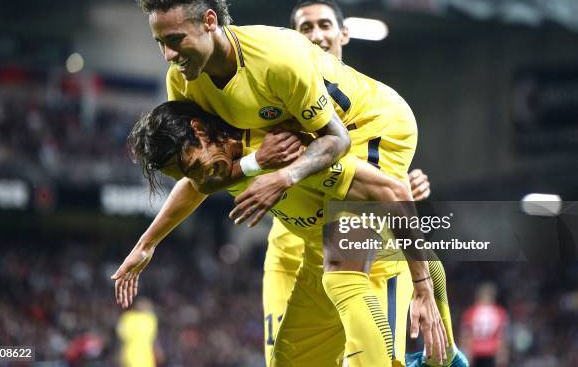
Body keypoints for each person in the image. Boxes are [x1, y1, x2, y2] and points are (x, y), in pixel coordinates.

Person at [115, 0, 448, 365]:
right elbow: (204, 175)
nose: (169, 55)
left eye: (174, 40)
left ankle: (428, 339)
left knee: (345, 268)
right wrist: (146, 243)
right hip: (295, 161)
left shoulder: (276, 61)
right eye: (159, 44)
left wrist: (281, 175)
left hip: (368, 127)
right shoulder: (185, 81)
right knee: (292, 355)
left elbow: (337, 141)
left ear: (209, 22)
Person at [115, 101, 433, 366]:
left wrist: (423, 283)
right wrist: (146, 244)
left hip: (374, 254)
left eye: (193, 167)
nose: (199, 181)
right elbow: (193, 188)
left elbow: (389, 189)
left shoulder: (288, 149)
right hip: (316, 256)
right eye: (187, 176)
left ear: (200, 133)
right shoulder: (215, 167)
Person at [287, 0, 467, 367]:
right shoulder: (289, 96)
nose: (317, 34)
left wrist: (402, 183)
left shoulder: (373, 101)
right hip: (299, 247)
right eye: (305, 27)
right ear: (293, 37)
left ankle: (445, 357)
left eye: (324, 25)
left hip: (363, 246)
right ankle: (445, 357)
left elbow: (387, 185)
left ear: (344, 34)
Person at [461, 283, 509, 367]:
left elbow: (466, 334)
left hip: (475, 350)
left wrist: (466, 352)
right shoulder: (499, 312)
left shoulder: (470, 312)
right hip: (492, 350)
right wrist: (502, 354)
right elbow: (501, 336)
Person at [116, 297, 161, 367]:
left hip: (133, 357)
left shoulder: (127, 318)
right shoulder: (151, 319)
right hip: (143, 357)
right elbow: (154, 339)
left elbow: (120, 339)